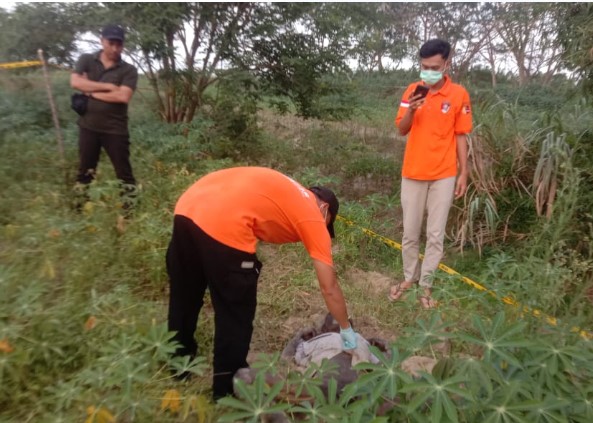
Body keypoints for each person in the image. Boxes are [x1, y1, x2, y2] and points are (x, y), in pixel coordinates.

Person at [165, 166, 358, 399]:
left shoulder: (291, 192)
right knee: (236, 313)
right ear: (325, 208)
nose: (324, 231)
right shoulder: (312, 213)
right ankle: (226, 391)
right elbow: (330, 287)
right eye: (328, 225)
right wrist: (346, 329)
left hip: (188, 207)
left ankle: (178, 366)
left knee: (184, 297)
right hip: (225, 222)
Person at [390, 39, 473, 309]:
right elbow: (402, 129)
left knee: (435, 234)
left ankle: (426, 286)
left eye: (434, 67)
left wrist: (464, 172)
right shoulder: (412, 91)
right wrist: (412, 109)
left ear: (447, 64)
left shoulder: (459, 94)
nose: (428, 72)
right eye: (424, 67)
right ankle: (408, 279)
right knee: (410, 232)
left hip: (444, 174)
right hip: (413, 172)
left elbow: (461, 135)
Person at [70, 24, 138, 210]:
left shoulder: (128, 70)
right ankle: (78, 210)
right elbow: (75, 82)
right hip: (88, 126)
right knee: (85, 171)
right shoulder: (86, 59)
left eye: (119, 44)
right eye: (111, 43)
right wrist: (108, 87)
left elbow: (123, 96)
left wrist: (89, 91)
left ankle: (129, 213)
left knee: (124, 173)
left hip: (115, 129)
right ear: (102, 41)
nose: (115, 48)